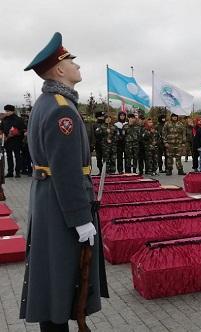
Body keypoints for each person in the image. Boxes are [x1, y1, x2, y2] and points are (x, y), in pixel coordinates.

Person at [21, 32, 108, 331]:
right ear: (59, 69)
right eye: (71, 60)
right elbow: (67, 171)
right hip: (62, 209)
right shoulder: (61, 110)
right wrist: (81, 219)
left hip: (49, 202)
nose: (77, 65)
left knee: (52, 279)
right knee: (61, 277)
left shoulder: (48, 103)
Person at [1, 105, 27, 177]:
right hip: (7, 141)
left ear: (12, 111)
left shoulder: (18, 119)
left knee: (17, 156)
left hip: (16, 141)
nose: (6, 112)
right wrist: (3, 135)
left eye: (7, 111)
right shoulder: (4, 119)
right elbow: (2, 129)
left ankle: (18, 172)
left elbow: (24, 129)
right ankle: (10, 172)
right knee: (9, 157)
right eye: (5, 111)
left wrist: (17, 132)